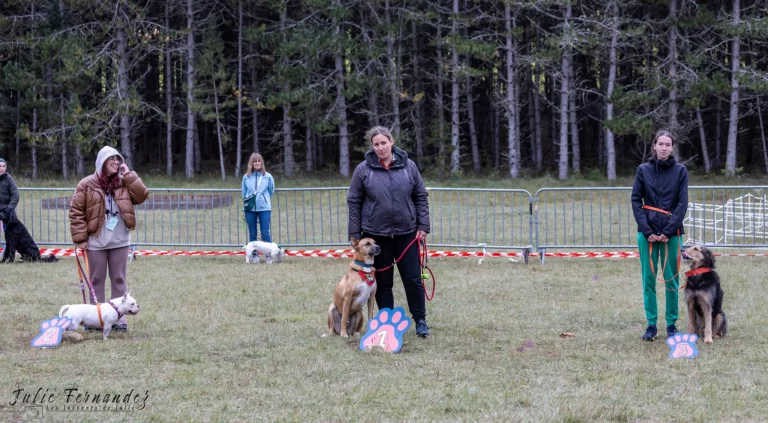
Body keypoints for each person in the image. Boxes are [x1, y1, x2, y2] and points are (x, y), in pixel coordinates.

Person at [347, 126, 432, 338]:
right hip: (377, 237)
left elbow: (420, 196)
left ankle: (420, 321)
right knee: (384, 282)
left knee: (412, 279)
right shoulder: (363, 169)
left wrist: (422, 226)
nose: (380, 147)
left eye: (383, 143)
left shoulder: (408, 167)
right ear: (372, 146)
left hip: (407, 233)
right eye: (376, 144)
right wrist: (354, 232)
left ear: (391, 142)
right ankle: (387, 324)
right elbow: (354, 201)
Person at [69, 146, 148, 332]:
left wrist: (128, 175)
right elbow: (76, 212)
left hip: (120, 239)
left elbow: (142, 195)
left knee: (119, 278)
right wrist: (81, 239)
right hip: (96, 240)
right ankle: (95, 320)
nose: (116, 162)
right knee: (96, 280)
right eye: (111, 159)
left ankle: (119, 320)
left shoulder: (124, 182)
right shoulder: (86, 184)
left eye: (117, 159)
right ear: (101, 162)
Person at [631, 130, 689, 341]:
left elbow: (682, 204)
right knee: (648, 280)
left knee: (671, 280)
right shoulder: (643, 170)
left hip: (671, 234)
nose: (664, 148)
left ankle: (671, 324)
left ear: (672, 148)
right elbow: (636, 201)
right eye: (660, 144)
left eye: (668, 144)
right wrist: (647, 231)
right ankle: (651, 325)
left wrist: (667, 232)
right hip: (646, 235)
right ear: (654, 145)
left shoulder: (680, 171)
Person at [242, 153, 275, 243]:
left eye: (259, 161)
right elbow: (244, 193)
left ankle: (268, 255)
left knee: (265, 232)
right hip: (250, 208)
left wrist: (264, 199)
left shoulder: (268, 177)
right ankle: (254, 253)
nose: (257, 163)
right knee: (252, 232)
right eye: (254, 161)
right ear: (251, 163)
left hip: (264, 208)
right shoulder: (246, 177)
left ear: (262, 162)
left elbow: (271, 191)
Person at [0, 158, 20, 233]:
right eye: (0, 166)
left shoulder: (9, 179)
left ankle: (8, 245)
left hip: (6, 210)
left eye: (3, 166)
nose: (1, 168)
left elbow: (16, 195)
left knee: (10, 233)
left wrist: (8, 209)